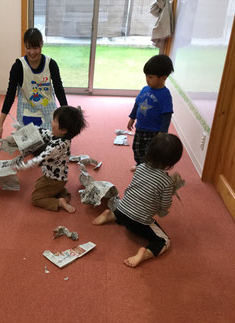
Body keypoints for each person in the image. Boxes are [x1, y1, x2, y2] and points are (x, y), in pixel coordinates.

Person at [93, 133, 183, 268]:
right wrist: (168, 198)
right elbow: (165, 205)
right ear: (171, 162)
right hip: (139, 221)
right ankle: (145, 253)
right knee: (164, 241)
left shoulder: (140, 168)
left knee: (125, 210)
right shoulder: (166, 182)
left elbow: (133, 188)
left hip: (122, 210)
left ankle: (111, 215)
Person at [0, 27, 68, 140]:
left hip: (48, 108)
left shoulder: (51, 64)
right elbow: (10, 95)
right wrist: (0, 125)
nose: (32, 52)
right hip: (27, 108)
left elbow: (59, 90)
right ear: (24, 45)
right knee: (31, 142)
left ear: (41, 45)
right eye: (28, 48)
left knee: (50, 141)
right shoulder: (18, 66)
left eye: (35, 48)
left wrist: (66, 114)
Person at [14, 106, 87, 213]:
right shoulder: (61, 136)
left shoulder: (57, 147)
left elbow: (40, 159)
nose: (51, 122)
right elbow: (45, 132)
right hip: (57, 177)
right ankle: (63, 196)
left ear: (63, 130)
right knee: (39, 184)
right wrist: (25, 129)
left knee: (36, 198)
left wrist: (21, 166)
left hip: (54, 180)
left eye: (54, 121)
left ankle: (59, 202)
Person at [127, 54, 174, 172]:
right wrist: (132, 117)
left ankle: (149, 170)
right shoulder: (145, 89)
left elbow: (167, 114)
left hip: (154, 132)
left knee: (151, 152)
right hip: (140, 128)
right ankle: (140, 165)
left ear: (163, 77)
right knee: (137, 149)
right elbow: (137, 103)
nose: (147, 79)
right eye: (146, 76)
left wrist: (163, 132)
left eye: (150, 77)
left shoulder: (165, 95)